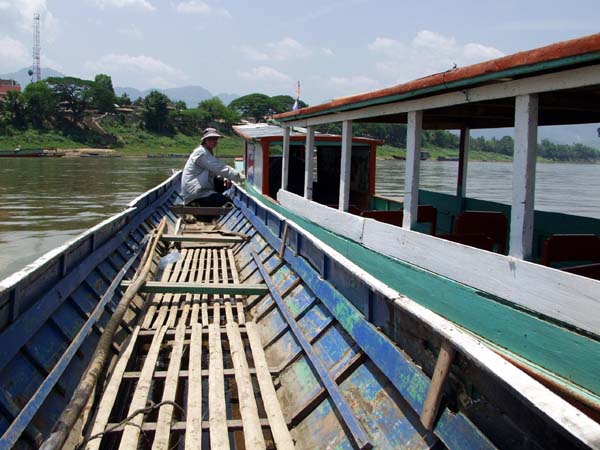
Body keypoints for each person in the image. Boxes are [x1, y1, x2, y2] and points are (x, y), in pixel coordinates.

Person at [181, 128, 243, 206]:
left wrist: (226, 178)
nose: (214, 141)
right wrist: (239, 176)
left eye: (215, 139)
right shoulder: (202, 153)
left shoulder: (206, 151)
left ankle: (212, 196)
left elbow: (215, 171)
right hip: (195, 193)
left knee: (223, 182)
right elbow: (220, 168)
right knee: (228, 203)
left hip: (199, 188)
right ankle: (197, 203)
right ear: (205, 140)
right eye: (210, 139)